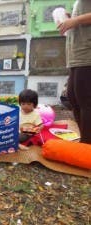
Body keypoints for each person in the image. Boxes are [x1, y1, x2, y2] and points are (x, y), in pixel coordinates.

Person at [57, 1, 91, 144]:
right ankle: (85, 140)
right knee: (73, 98)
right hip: (76, 55)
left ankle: (87, 145)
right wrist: (72, 18)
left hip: (87, 54)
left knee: (86, 102)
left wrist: (75, 20)